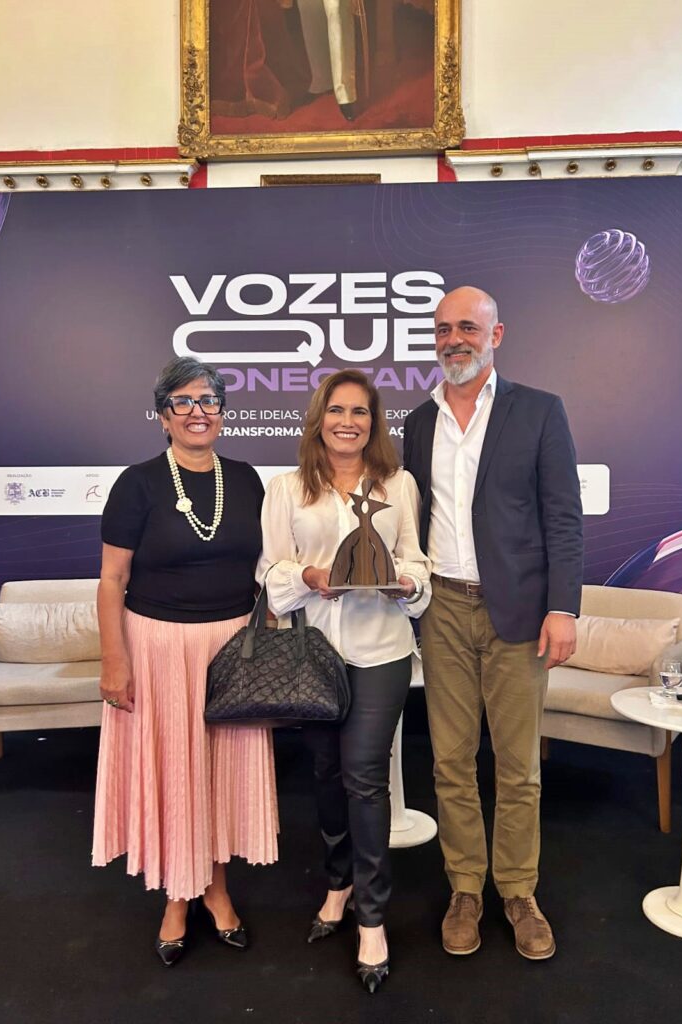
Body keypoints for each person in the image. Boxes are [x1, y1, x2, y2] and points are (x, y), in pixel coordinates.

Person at [403, 286, 583, 961]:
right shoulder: (418, 422)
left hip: (521, 612)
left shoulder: (539, 411)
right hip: (443, 610)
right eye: (443, 329)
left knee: (518, 766)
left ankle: (518, 891)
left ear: (496, 335)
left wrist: (562, 606)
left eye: (468, 328)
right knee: (450, 761)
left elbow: (563, 515)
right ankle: (465, 889)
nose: (454, 340)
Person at [92, 357, 278, 967]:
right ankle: (177, 895)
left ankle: (216, 891)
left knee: (219, 775)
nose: (198, 412)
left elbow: (266, 569)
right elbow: (112, 579)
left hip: (232, 647)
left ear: (223, 411)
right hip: (158, 649)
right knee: (176, 773)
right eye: (183, 401)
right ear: (163, 415)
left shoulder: (246, 480)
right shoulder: (138, 484)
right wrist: (114, 659)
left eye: (209, 400)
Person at [258, 368, 431, 992]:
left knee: (363, 774)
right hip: (314, 653)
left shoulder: (399, 484)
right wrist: (308, 577)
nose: (348, 422)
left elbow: (415, 561)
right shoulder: (286, 488)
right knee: (327, 772)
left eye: (360, 412)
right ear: (319, 419)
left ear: (373, 422)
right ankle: (338, 884)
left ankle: (372, 917)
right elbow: (270, 568)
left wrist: (406, 584)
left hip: (382, 650)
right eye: (337, 410)